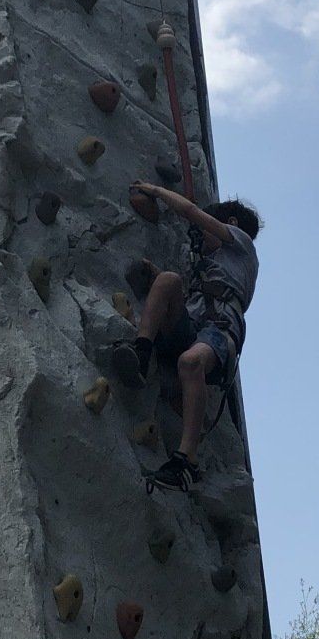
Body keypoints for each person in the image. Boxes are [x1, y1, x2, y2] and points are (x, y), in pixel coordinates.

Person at [112, 185, 263, 492]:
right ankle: (141, 352)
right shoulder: (209, 265)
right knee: (169, 280)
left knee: (190, 361)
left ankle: (186, 460)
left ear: (230, 224)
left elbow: (191, 212)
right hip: (194, 326)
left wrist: (153, 189)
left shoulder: (242, 244)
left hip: (218, 331)